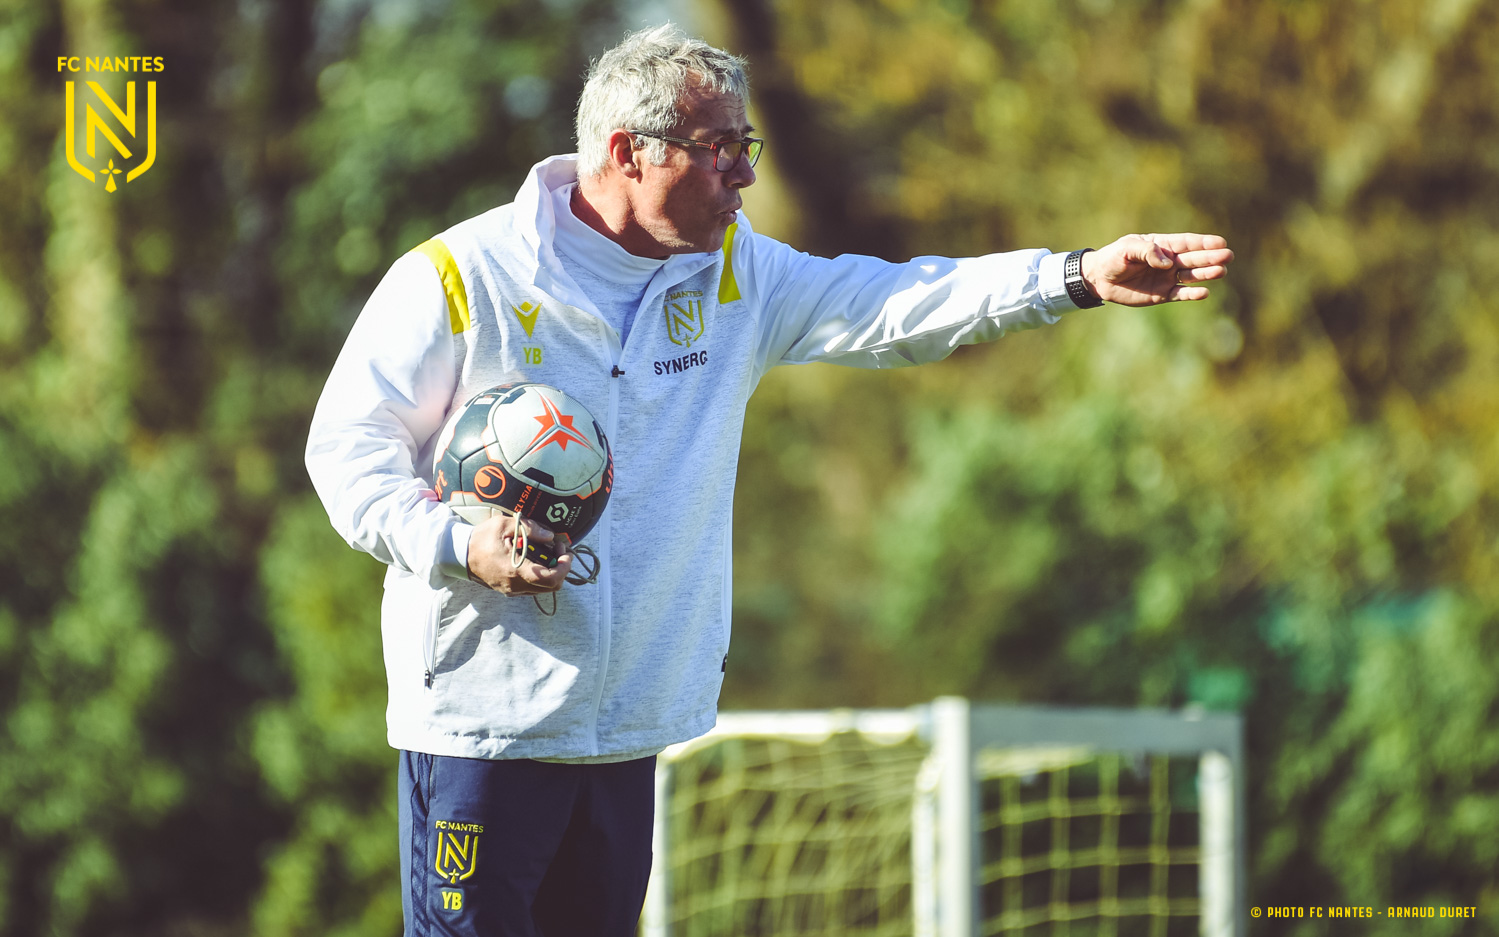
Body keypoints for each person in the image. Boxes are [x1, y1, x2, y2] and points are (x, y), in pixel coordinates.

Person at [305, 23, 1233, 937]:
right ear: (628, 152)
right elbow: (346, 451)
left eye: (744, 147)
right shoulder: (459, 277)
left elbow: (896, 303)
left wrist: (1074, 275)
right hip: (482, 728)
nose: (744, 176)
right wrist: (458, 543)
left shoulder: (737, 271)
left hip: (630, 729)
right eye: (719, 149)